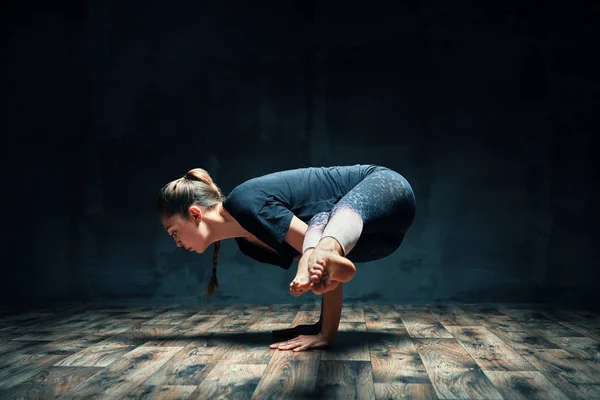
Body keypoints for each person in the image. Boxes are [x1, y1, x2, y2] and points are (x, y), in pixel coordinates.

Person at [156, 164, 416, 352]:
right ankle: (319, 255)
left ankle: (319, 253)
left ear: (195, 214)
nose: (177, 242)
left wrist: (328, 335)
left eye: (174, 232)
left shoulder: (244, 202)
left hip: (387, 191)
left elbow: (315, 252)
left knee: (320, 238)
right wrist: (321, 328)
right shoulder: (251, 245)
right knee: (320, 229)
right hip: (376, 239)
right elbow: (327, 273)